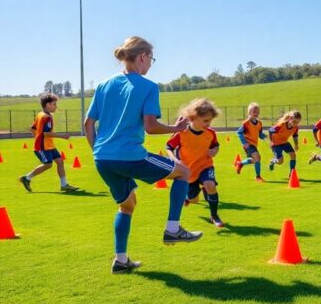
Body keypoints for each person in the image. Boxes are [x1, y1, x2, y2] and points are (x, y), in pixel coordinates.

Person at [84, 36, 203, 274]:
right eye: (152, 59)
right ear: (143, 57)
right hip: (130, 155)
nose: (151, 64)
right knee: (183, 172)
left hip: (102, 159)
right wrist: (175, 129)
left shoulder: (104, 85)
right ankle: (173, 229)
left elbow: (88, 124)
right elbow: (150, 126)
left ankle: (121, 260)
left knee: (127, 206)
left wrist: (99, 151)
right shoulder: (148, 87)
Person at [166, 99, 224, 227]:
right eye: (205, 121)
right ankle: (189, 198)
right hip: (188, 171)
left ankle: (214, 216)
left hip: (205, 165)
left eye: (210, 120)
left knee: (210, 186)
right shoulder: (182, 133)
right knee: (194, 199)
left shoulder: (211, 133)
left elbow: (216, 145)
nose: (208, 124)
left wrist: (214, 150)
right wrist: (175, 160)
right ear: (194, 117)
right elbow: (168, 147)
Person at [19, 93, 79, 192]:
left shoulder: (40, 114)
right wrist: (62, 136)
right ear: (48, 105)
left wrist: (37, 137)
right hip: (43, 146)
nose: (56, 106)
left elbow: (32, 128)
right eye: (54, 104)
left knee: (60, 161)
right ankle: (27, 178)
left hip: (49, 145)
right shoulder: (46, 117)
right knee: (48, 164)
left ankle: (64, 185)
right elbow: (46, 133)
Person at [235, 102, 267, 182]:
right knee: (257, 157)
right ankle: (258, 177)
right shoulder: (246, 123)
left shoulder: (259, 123)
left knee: (256, 159)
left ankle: (241, 163)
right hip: (248, 144)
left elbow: (259, 134)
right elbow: (239, 132)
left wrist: (265, 136)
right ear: (249, 112)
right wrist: (244, 143)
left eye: (257, 112)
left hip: (254, 144)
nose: (256, 114)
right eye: (254, 112)